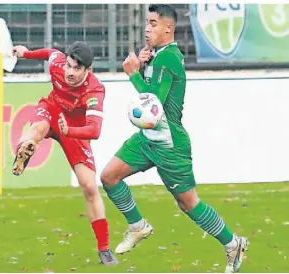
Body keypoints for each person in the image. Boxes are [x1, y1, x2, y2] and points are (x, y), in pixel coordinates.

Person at [100, 4, 248, 273]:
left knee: (188, 203)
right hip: (147, 139)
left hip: (170, 144)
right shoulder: (158, 56)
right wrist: (144, 65)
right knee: (109, 176)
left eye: (153, 23)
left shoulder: (169, 58)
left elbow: (153, 105)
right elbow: (152, 95)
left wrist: (133, 72)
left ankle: (232, 243)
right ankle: (138, 227)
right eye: (146, 22)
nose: (147, 28)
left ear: (168, 28)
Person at [11, 41, 117, 265]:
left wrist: (70, 131)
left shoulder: (94, 90)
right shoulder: (58, 64)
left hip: (75, 130)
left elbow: (94, 130)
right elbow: (50, 53)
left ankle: (104, 249)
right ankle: (23, 150)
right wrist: (25, 53)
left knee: (89, 186)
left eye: (76, 69)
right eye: (68, 66)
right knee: (38, 129)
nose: (69, 72)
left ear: (88, 70)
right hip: (52, 110)